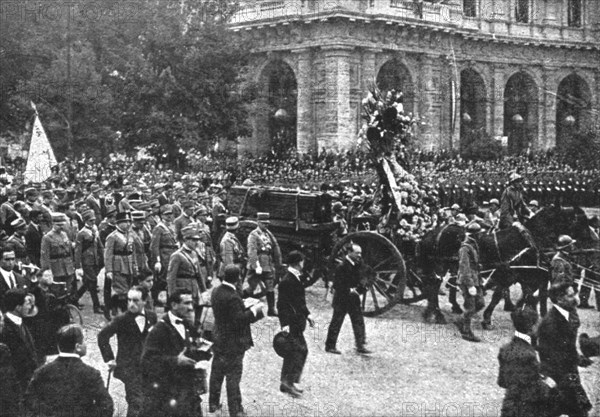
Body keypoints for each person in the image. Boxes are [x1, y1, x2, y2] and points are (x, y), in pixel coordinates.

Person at [141, 289, 207, 417]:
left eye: (191, 303)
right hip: (168, 395)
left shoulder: (187, 324)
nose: (191, 308)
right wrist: (175, 361)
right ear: (174, 305)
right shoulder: (158, 330)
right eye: (186, 303)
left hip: (187, 392)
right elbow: (147, 361)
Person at [209, 265, 264, 417]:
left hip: (219, 338)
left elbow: (237, 300)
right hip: (234, 343)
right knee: (233, 377)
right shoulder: (232, 296)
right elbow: (239, 320)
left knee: (217, 373)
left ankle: (213, 404)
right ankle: (236, 409)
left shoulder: (217, 291)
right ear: (238, 278)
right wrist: (255, 311)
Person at [24, 324, 114, 417]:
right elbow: (106, 406)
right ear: (77, 347)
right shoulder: (91, 373)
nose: (86, 344)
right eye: (84, 341)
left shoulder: (42, 372)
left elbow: (29, 401)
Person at [98, 286, 157, 417]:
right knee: (136, 401)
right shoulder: (121, 320)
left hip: (148, 367)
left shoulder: (152, 317)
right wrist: (110, 359)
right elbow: (102, 336)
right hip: (129, 367)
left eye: (136, 301)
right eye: (129, 300)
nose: (131, 304)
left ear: (145, 301)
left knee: (148, 400)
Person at [537, 282, 593, 417]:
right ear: (559, 299)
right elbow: (550, 353)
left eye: (575, 294)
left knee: (577, 409)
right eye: (571, 295)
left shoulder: (568, 313)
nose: (576, 298)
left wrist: (578, 359)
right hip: (559, 376)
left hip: (568, 374)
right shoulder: (550, 323)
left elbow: (567, 347)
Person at [497, 307, 558, 417]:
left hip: (509, 406)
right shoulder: (528, 354)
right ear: (531, 327)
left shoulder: (505, 349)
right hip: (528, 409)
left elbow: (502, 382)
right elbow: (537, 389)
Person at [277, 251, 314, 398]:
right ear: (298, 263)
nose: (303, 264)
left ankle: (287, 382)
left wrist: (308, 315)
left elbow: (300, 302)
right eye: (302, 261)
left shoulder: (294, 278)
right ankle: (289, 382)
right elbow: (281, 304)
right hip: (292, 323)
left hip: (297, 322)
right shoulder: (287, 281)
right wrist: (284, 324)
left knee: (295, 351)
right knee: (298, 351)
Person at [325, 244, 371, 355]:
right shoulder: (341, 266)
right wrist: (350, 290)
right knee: (337, 321)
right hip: (342, 299)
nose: (359, 255)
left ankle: (360, 345)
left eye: (360, 253)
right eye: (357, 253)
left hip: (353, 299)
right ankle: (330, 346)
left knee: (358, 321)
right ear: (349, 253)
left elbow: (366, 275)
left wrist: (360, 289)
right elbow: (337, 285)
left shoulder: (358, 264)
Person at [0, 289, 40, 404]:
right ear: (18, 307)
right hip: (17, 387)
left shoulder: (21, 322)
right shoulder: (5, 329)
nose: (30, 307)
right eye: (27, 303)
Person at [167, 225, 206, 322]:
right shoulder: (177, 255)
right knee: (184, 315)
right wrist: (172, 296)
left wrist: (204, 291)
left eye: (197, 240)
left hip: (194, 288)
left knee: (196, 314)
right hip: (182, 287)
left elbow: (199, 274)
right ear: (185, 240)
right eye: (193, 240)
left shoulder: (194, 253)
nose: (196, 243)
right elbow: (171, 278)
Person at [245, 212, 282, 316]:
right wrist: (256, 265)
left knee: (270, 287)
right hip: (257, 265)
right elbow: (252, 251)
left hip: (268, 265)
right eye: (263, 223)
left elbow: (274, 248)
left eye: (267, 223)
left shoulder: (267, 234)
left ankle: (271, 309)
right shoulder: (253, 235)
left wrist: (278, 263)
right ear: (258, 222)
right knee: (251, 287)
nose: (266, 225)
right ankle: (241, 304)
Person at [455, 222, 485, 342]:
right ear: (474, 235)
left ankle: (460, 320)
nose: (480, 236)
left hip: (475, 278)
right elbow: (464, 267)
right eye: (479, 234)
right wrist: (470, 285)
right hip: (467, 280)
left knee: (481, 303)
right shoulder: (465, 248)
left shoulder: (473, 245)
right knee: (470, 307)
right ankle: (466, 332)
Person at [104, 211, 138, 315]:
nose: (128, 224)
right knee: (121, 291)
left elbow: (133, 252)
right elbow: (108, 254)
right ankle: (123, 312)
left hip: (129, 265)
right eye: (125, 222)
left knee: (128, 289)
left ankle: (112, 307)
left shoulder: (130, 235)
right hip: (118, 266)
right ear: (118, 223)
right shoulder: (112, 236)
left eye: (129, 222)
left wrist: (135, 265)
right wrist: (109, 270)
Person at [74, 209, 104, 314]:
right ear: (85, 220)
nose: (93, 222)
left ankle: (74, 299)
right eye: (91, 220)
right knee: (93, 281)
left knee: (87, 283)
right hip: (86, 261)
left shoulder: (95, 229)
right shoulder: (81, 233)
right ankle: (96, 306)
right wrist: (78, 266)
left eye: (94, 220)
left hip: (95, 259)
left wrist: (103, 256)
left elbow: (99, 244)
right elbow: (77, 251)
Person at [40, 213, 76, 296]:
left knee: (68, 288)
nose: (61, 227)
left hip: (67, 266)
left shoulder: (64, 234)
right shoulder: (47, 237)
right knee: (57, 290)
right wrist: (47, 270)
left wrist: (73, 263)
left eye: (62, 225)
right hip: (56, 267)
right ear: (53, 224)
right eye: (58, 225)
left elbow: (69, 250)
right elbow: (44, 256)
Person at [150, 204, 178, 305]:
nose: (169, 216)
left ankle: (169, 299)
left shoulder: (172, 225)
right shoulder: (159, 228)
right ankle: (158, 299)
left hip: (173, 253)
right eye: (166, 214)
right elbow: (154, 246)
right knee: (163, 279)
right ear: (162, 215)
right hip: (164, 255)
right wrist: (157, 260)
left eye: (170, 214)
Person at [218, 217, 245, 283]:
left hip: (233, 269)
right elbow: (228, 260)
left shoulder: (232, 237)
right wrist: (234, 275)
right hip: (229, 273)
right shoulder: (227, 240)